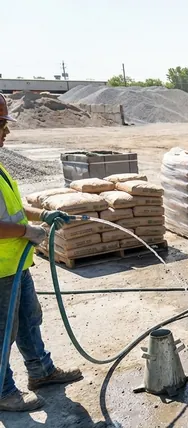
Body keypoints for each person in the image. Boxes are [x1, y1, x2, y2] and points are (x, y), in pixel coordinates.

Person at [0, 93, 84, 412]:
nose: (6, 131)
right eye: (1, 125)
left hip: (15, 264)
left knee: (29, 318)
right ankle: (3, 390)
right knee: (2, 331)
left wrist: (39, 216)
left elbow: (11, 211)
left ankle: (41, 372)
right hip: (1, 268)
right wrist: (26, 232)